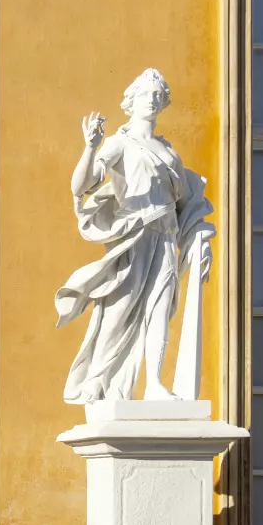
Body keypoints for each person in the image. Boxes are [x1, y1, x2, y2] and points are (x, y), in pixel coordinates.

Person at [57, 67, 214, 403]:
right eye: (146, 94)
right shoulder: (119, 143)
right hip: (136, 236)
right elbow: (81, 186)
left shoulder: (169, 153)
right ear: (132, 100)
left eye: (159, 95)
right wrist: (90, 148)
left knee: (160, 308)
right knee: (121, 309)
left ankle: (154, 383)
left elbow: (190, 205)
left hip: (167, 237)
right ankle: (98, 379)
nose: (153, 100)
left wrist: (202, 237)